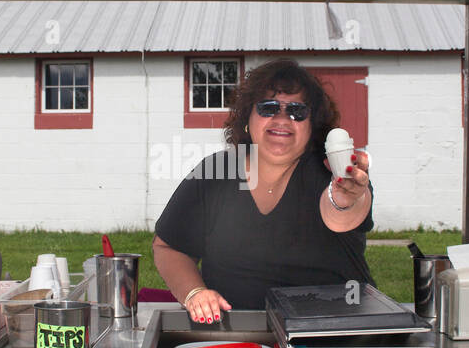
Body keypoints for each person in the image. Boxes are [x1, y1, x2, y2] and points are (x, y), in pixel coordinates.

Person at [153, 59, 373, 320]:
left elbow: (343, 210)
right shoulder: (217, 171)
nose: (281, 119)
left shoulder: (333, 170)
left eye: (297, 111)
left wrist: (344, 198)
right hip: (239, 337)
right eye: (268, 108)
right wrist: (195, 293)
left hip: (333, 334)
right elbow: (169, 247)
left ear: (312, 123)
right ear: (248, 117)